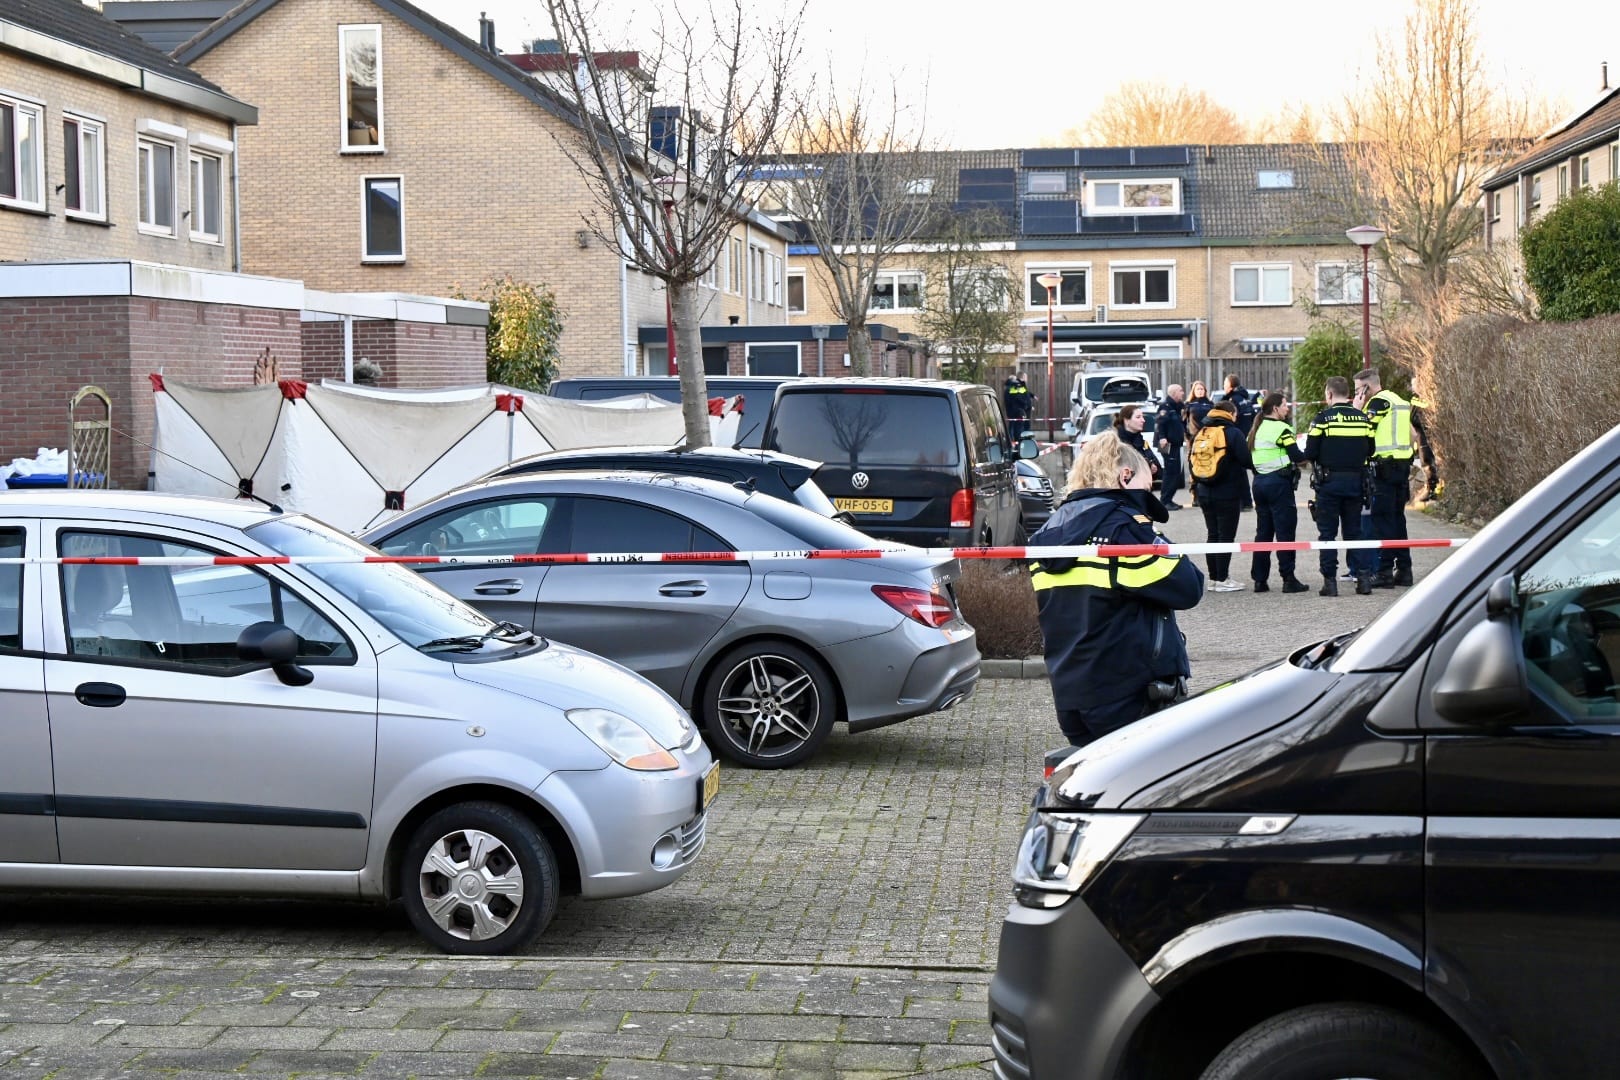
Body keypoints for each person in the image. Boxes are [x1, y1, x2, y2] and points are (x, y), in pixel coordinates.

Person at [1028, 435, 1204, 748]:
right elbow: (1188, 587)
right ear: (1125, 477)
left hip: (1071, 695)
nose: (1147, 498)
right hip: (1128, 692)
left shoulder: (1047, 533)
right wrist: (1156, 537)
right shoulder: (1124, 530)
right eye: (1146, 487)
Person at [1303, 376, 1375, 596]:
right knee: (1355, 532)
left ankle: (1330, 583)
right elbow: (1370, 449)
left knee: (1327, 534)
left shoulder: (1322, 419)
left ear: (1329, 394)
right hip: (1355, 483)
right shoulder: (1363, 419)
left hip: (1329, 484)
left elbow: (1310, 453)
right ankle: (1363, 580)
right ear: (1348, 394)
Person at [1354, 368, 1417, 588]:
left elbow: (1365, 430)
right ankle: (1404, 570)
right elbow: (1413, 435)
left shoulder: (1378, 403)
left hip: (1385, 468)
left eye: (1358, 389)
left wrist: (1358, 410)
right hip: (1401, 466)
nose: (1357, 394)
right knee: (1398, 519)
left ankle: (1383, 572)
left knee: (1383, 520)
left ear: (1366, 387)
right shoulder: (1398, 400)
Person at [1247, 392, 1309, 593]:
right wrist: (1313, 452)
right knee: (1285, 531)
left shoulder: (1257, 429)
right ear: (1275, 408)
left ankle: (1259, 580)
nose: (1287, 408)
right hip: (1278, 484)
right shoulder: (1281, 429)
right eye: (1284, 405)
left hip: (1259, 484)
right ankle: (1288, 579)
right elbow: (1297, 457)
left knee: (1263, 533)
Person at [1190, 399, 1252, 591]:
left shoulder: (1203, 432)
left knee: (1212, 534)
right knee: (1226, 536)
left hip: (1204, 491)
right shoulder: (1233, 433)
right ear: (1231, 414)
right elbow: (1246, 460)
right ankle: (1223, 579)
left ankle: (1214, 579)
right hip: (1227, 492)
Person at [1223, 375, 1256, 510]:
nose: (1224, 386)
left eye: (1225, 383)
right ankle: (1247, 501)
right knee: (1243, 471)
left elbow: (1231, 420)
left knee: (1238, 472)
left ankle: (1244, 502)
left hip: (1237, 438)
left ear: (1230, 385)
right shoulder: (1245, 398)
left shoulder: (1232, 400)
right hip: (1247, 436)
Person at [1156, 384, 1188, 511]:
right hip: (1166, 444)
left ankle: (1168, 499)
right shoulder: (1165, 407)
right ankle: (1165, 501)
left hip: (1175, 444)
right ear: (1174, 393)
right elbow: (1160, 423)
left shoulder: (1177, 406)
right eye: (1180, 391)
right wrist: (1162, 437)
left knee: (1175, 472)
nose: (1183, 393)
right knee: (1170, 472)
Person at [1112, 405, 1161, 486]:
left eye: (1142, 417)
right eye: (1138, 417)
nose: (1143, 420)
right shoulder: (1117, 444)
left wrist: (1153, 468)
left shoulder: (1142, 441)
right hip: (1125, 493)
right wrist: (1143, 469)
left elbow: (1158, 470)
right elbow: (1117, 475)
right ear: (1126, 421)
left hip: (1142, 490)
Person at [1185, 381, 1214, 508]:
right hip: (1193, 439)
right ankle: (1195, 495)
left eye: (1202, 389)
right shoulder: (1189, 405)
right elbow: (1182, 422)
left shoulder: (1210, 404)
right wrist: (1187, 436)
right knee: (1194, 466)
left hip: (1208, 439)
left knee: (1209, 464)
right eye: (1198, 389)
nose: (1200, 391)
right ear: (1193, 391)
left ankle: (1208, 493)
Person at [1003, 369, 1033, 441]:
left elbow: (1025, 395)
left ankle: (1014, 441)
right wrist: (1025, 405)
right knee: (1017, 427)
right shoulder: (1013, 388)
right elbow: (1018, 398)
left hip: (1014, 410)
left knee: (1014, 426)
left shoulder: (1011, 388)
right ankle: (1016, 442)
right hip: (1016, 411)